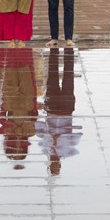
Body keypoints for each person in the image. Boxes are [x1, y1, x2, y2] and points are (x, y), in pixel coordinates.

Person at [35, 47, 82, 175]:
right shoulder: (69, 151)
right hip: (66, 109)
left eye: (53, 166)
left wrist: (44, 132)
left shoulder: (45, 148)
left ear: (50, 164)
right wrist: (62, 136)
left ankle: (54, 51)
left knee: (52, 74)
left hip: (52, 107)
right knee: (68, 75)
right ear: (59, 164)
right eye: (56, 166)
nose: (54, 163)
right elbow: (79, 134)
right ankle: (69, 52)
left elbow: (38, 128)